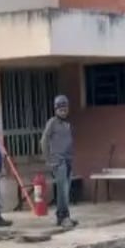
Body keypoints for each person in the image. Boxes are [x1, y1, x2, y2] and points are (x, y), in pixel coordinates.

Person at [40, 95, 77, 228]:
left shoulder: (67, 124)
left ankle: (63, 216)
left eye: (65, 108)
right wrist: (48, 159)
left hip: (68, 160)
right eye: (60, 108)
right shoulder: (52, 122)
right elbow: (44, 141)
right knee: (62, 190)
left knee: (66, 191)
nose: (63, 111)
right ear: (56, 109)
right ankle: (63, 217)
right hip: (58, 161)